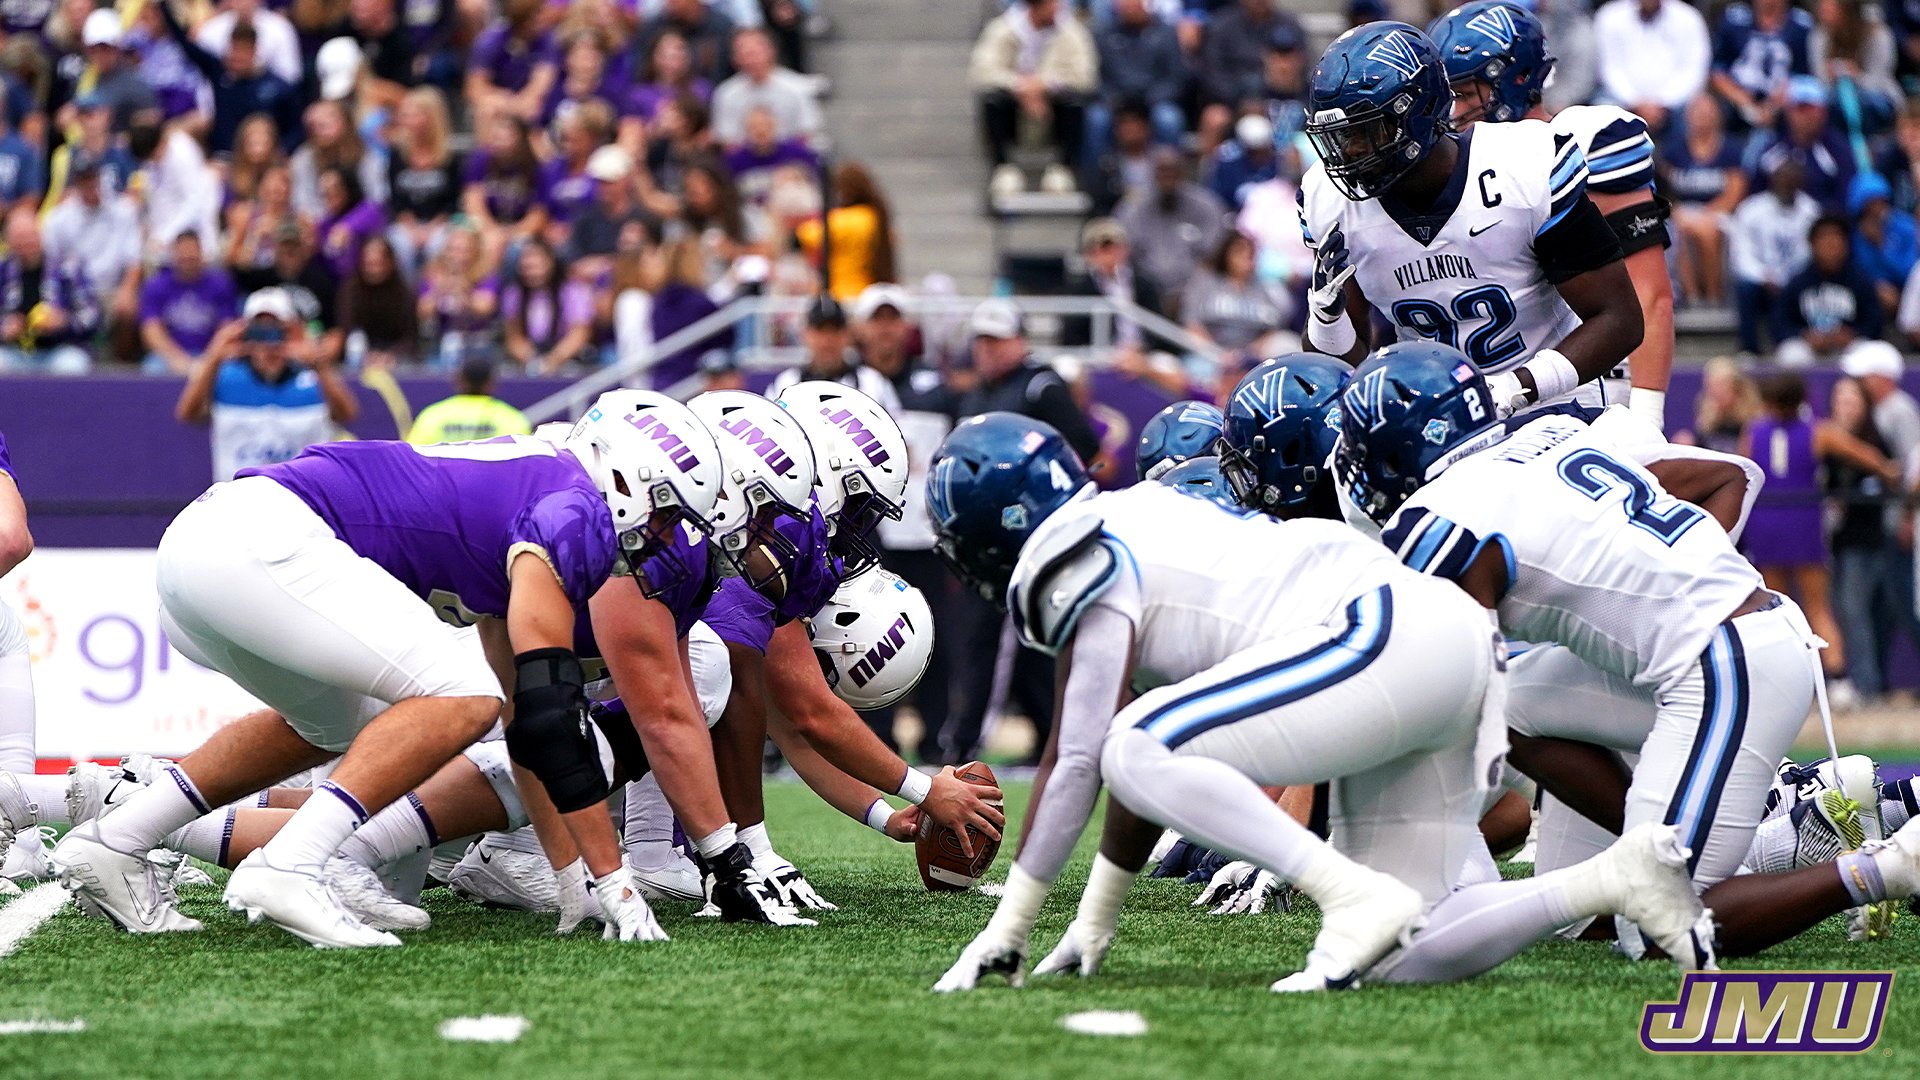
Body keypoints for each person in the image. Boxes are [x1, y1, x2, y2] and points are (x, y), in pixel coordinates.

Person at [927, 411, 1709, 994]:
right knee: (1410, 951)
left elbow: (1083, 759)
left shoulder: (1073, 557)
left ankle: (1347, 894)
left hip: (1385, 635)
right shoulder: (1128, 518)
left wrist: (1012, 928)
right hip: (1435, 644)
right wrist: (1095, 917)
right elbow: (1121, 760)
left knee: (1137, 741)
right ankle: (1614, 878)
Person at [50, 392, 723, 945]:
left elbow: (525, 724)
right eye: (666, 517)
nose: (664, 538)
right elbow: (550, 716)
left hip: (208, 543)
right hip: (262, 542)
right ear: (629, 477)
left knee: (342, 723)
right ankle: (293, 864)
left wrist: (571, 874)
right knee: (462, 697)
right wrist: (614, 879)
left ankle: (119, 837)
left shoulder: (535, 492)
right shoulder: (574, 507)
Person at [1299, 23, 1642, 417]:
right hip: (1431, 427)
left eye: (1366, 131)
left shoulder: (1521, 168)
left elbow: (1619, 320)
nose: (1350, 153)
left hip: (1556, 411)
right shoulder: (1328, 201)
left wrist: (1516, 390)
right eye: (1340, 138)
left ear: (1419, 112)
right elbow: (1340, 374)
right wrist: (1327, 321)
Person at [1431, 0, 1675, 427]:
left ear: (1517, 80)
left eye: (1465, 94)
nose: (1451, 110)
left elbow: (1648, 295)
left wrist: (1647, 417)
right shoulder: (1443, 168)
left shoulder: (1587, 140)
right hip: (1490, 396)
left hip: (1593, 389)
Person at [936, 299, 1099, 765]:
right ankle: (1038, 737)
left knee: (1005, 643)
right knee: (1003, 644)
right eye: (982, 341)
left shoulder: (1040, 387)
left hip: (1028, 539)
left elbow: (1081, 448)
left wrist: (1035, 497)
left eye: (997, 340)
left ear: (1019, 341)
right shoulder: (975, 396)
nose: (988, 350)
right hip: (983, 539)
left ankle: (966, 742)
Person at [847, 283, 960, 759]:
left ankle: (936, 739)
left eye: (893, 319)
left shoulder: (937, 388)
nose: (885, 329)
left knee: (934, 638)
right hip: (869, 537)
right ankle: (877, 739)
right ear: (862, 327)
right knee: (867, 636)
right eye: (877, 319)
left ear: (907, 325)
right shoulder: (847, 385)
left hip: (923, 533)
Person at [1742, 373, 1871, 695]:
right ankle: (1839, 681)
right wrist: (1891, 473)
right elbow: (1865, 456)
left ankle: (1781, 685)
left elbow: (1741, 469)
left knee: (1774, 609)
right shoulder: (1818, 431)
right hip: (1804, 524)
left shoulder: (1755, 431)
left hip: (1766, 523)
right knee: (1818, 606)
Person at [175, 294, 358, 482]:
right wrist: (214, 357)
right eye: (259, 332)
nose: (269, 344)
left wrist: (318, 364)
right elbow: (188, 414)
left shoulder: (312, 379)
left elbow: (347, 414)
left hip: (298, 499)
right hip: (238, 499)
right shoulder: (227, 378)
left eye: (277, 331)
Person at [1824, 372, 1907, 704]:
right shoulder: (1827, 442)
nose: (1844, 407)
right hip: (1834, 543)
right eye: (1839, 400)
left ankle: (1867, 686)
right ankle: (1855, 683)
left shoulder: (1874, 441)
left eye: (1851, 400)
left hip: (1867, 541)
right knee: (1842, 611)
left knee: (1856, 610)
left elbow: (1889, 479)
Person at [970, 0, 1097, 197]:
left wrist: (1043, 85)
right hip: (1014, 105)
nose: (1059, 7)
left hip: (1054, 105)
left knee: (1075, 103)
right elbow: (982, 72)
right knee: (992, 100)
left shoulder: (1072, 32)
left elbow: (1085, 77)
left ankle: (1062, 170)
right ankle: (1004, 169)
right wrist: (1020, 87)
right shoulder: (1001, 30)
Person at [155, 1, 300, 157]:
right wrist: (163, 6)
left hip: (261, 162)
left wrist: (281, 153)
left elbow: (296, 128)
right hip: (222, 158)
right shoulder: (219, 73)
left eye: (242, 51)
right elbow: (187, 45)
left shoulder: (277, 86)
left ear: (254, 52)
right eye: (234, 50)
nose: (236, 57)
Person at [41, 150, 141, 365]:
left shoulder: (123, 210)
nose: (89, 185)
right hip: (75, 292)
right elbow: (51, 266)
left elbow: (134, 260)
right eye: (83, 180)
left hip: (111, 287)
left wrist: (127, 290)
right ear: (75, 183)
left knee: (128, 308)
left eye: (92, 178)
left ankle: (123, 364)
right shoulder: (59, 219)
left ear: (100, 177)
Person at [1114, 147, 1228, 317]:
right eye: (1162, 170)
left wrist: (1188, 292)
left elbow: (1213, 259)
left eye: (1173, 170)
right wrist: (1148, 293)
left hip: (1195, 296)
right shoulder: (1132, 210)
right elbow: (1122, 258)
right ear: (1151, 173)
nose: (1167, 176)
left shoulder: (1206, 207)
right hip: (1143, 296)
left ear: (1184, 172)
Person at [1727, 160, 1821, 357]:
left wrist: (1788, 278)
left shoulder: (1811, 211)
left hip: (1796, 280)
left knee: (1805, 286)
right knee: (1745, 287)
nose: (1787, 184)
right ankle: (1749, 348)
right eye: (1783, 178)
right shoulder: (1751, 209)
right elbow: (1741, 254)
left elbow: (1812, 254)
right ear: (1773, 180)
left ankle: (1790, 343)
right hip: (1760, 280)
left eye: (1793, 180)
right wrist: (1764, 276)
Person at [1662, 94, 1748, 304]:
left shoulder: (1731, 149)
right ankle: (1691, 297)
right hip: (1682, 212)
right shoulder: (1673, 149)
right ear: (1687, 116)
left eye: (1708, 111)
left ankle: (1713, 296)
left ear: (1718, 116)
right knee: (1680, 231)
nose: (1702, 116)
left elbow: (1736, 191)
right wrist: (1677, 211)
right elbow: (1663, 189)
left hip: (1721, 212)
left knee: (1708, 232)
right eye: (1697, 111)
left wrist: (1707, 214)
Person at [1088, 0, 1187, 170]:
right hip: (1116, 100)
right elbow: (1095, 76)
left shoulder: (1166, 33)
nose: (1130, 8)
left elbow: (1176, 78)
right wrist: (1111, 98)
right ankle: (1096, 179)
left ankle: (1171, 177)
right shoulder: (1103, 34)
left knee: (1169, 119)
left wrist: (1152, 98)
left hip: (1154, 100)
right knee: (1097, 119)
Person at [1776, 214, 1884, 367]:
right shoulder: (1797, 283)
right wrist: (1804, 335)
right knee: (1791, 354)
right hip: (1810, 347)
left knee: (1869, 354)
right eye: (1824, 238)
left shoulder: (1860, 281)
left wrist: (1853, 334)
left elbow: (1874, 322)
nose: (1830, 244)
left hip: (1848, 346)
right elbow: (1781, 323)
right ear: (1812, 244)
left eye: (1836, 238)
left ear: (1846, 245)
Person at [0, 207, 96, 374]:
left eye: (30, 236)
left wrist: (63, 322)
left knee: (71, 366)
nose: (26, 244)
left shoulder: (68, 269)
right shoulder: (3, 272)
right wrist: (5, 328)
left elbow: (91, 316)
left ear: (40, 236)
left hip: (59, 350)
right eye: (19, 239)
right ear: (8, 242)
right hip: (14, 352)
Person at [1592, 0, 1711, 135]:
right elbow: (1608, 68)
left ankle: (1675, 156)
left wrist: (1663, 102)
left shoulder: (1688, 18)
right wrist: (1635, 102)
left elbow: (1693, 70)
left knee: (1699, 110)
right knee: (1601, 111)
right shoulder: (1610, 16)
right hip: (1621, 101)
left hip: (1674, 105)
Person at [1749, 75, 1857, 214]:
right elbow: (1755, 192)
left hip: (1823, 222)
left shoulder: (1838, 150)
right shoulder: (1773, 148)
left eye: (1810, 108)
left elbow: (1846, 194)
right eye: (1799, 108)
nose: (1805, 116)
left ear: (1823, 111)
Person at [1181, 229, 1293, 362]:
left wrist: (1247, 354)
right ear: (1226, 253)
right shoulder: (1205, 282)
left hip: (1253, 357)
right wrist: (1218, 354)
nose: (1246, 256)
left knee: (1287, 343)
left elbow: (1273, 329)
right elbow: (1192, 325)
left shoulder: (1265, 287)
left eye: (1251, 253)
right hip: (1210, 356)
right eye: (1240, 251)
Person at [141, 231, 241, 376]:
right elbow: (151, 329)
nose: (188, 257)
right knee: (152, 370)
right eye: (183, 254)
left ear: (201, 253)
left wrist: (209, 359)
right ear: (174, 255)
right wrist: (177, 360)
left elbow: (227, 328)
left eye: (192, 254)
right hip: (169, 356)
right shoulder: (156, 285)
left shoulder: (220, 284)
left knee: (230, 371)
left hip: (210, 353)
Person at [793, 161, 895, 304]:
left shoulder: (848, 219)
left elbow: (803, 235)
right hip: (868, 290)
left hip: (842, 292)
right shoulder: (877, 218)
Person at [1708, 0, 1813, 135]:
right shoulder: (1734, 19)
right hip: (1736, 101)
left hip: (1783, 103)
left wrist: (1774, 105)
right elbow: (1717, 70)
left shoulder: (1802, 26)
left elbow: (1805, 75)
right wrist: (1745, 103)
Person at [709, 26, 819, 148]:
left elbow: (806, 133)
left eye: (754, 51)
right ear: (734, 58)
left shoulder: (797, 87)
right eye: (743, 53)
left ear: (771, 50)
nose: (750, 58)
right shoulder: (726, 92)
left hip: (791, 158)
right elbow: (727, 139)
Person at [501, 237, 596, 374]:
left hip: (567, 357)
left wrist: (555, 358)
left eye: (536, 264)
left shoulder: (575, 291)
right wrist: (532, 359)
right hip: (530, 358)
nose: (531, 270)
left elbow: (580, 333)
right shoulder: (513, 294)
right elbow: (513, 336)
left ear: (551, 262)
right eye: (527, 266)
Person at [465, 0, 558, 123]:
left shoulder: (547, 41)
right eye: (536, 15)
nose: (542, 19)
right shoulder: (490, 40)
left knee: (533, 108)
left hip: (529, 103)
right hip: (500, 101)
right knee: (486, 108)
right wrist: (504, 100)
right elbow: (474, 88)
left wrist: (520, 104)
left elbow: (540, 86)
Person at [337, 234, 419, 369]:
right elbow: (347, 328)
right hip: (359, 353)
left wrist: (391, 355)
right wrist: (367, 355)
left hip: (395, 355)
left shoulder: (404, 291)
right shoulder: (350, 290)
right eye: (369, 264)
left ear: (391, 263)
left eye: (378, 264)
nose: (373, 270)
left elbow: (411, 337)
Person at [407, 357, 531, 444]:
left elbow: (412, 457)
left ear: (458, 381)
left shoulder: (432, 416)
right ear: (490, 383)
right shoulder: (512, 419)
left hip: (445, 481)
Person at [1848, 171, 1918, 316]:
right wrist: (1874, 285)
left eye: (1881, 201)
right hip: (1867, 290)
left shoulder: (1905, 227)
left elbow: (1911, 272)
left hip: (1907, 289)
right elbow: (1852, 269)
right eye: (1871, 204)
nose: (1877, 209)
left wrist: (1882, 246)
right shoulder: (1852, 234)